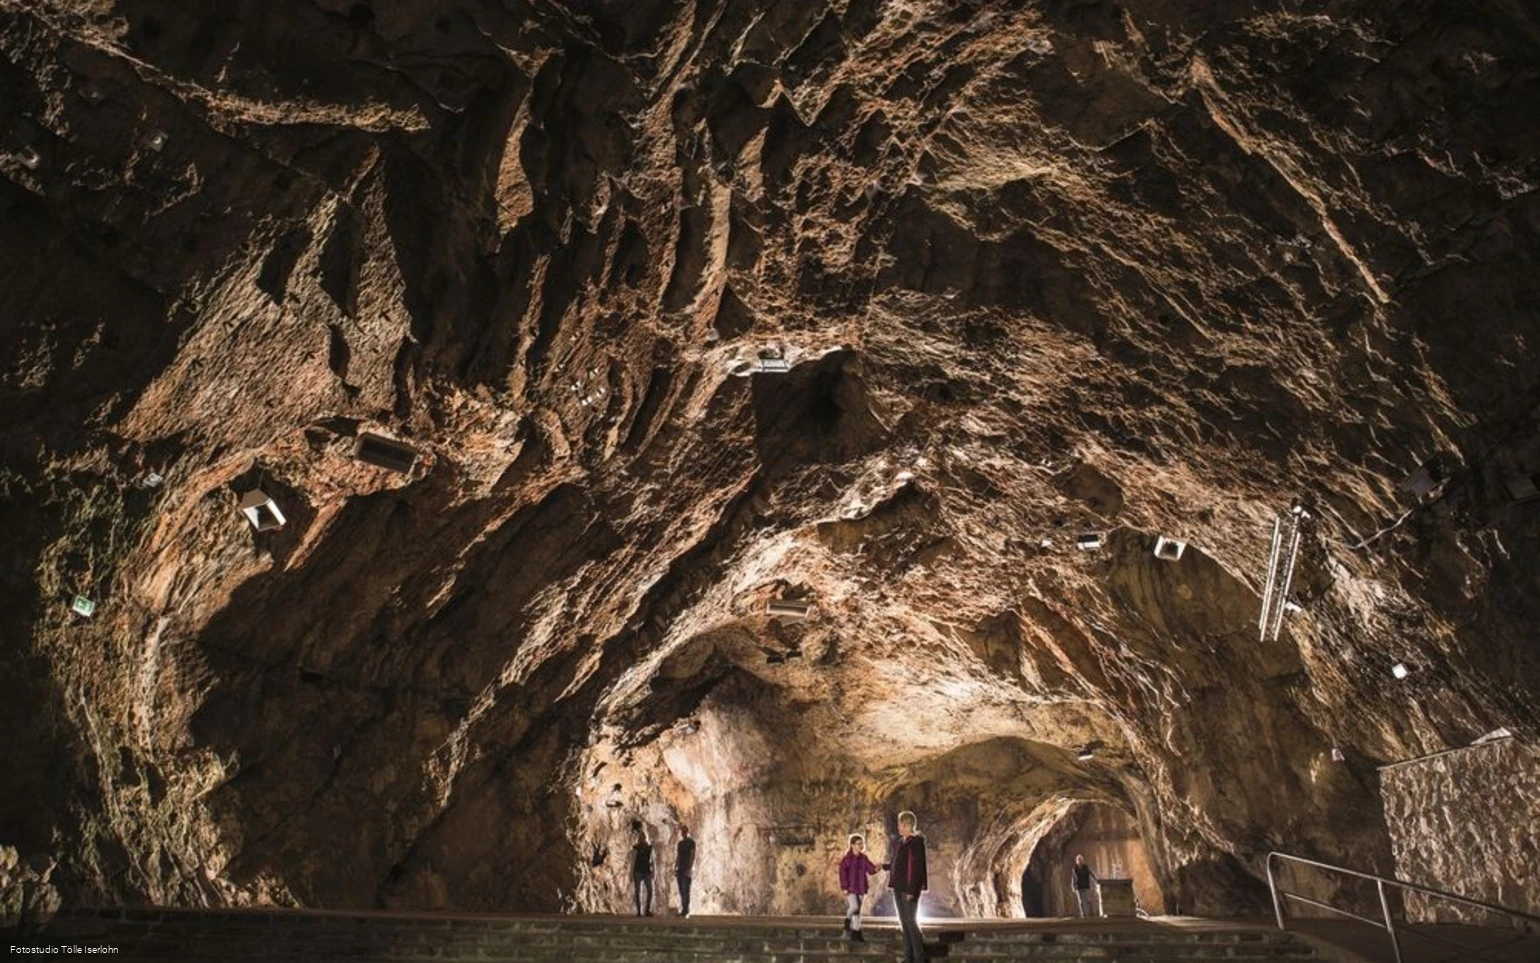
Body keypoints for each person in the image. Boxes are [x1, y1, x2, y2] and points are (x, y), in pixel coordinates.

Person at [889, 811, 929, 963]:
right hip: (898, 887)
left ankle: (919, 957)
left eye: (901, 824)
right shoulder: (901, 842)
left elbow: (917, 868)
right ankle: (908, 957)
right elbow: (898, 863)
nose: (899, 827)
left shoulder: (916, 842)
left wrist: (912, 890)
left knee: (911, 922)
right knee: (904, 923)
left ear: (908, 824)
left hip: (909, 888)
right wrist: (885, 866)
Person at [838, 833, 881, 942]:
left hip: (861, 887)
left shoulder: (863, 858)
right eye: (858, 844)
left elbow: (870, 869)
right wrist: (844, 887)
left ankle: (856, 933)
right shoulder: (847, 859)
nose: (861, 846)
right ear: (852, 845)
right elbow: (842, 873)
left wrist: (877, 868)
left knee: (857, 912)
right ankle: (847, 921)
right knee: (854, 907)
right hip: (851, 888)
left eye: (862, 844)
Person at [631, 826, 654, 916]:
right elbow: (632, 860)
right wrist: (630, 873)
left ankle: (647, 910)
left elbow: (652, 860)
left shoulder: (649, 848)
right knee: (637, 891)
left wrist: (653, 872)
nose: (642, 838)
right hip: (638, 871)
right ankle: (639, 911)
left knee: (650, 890)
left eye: (643, 837)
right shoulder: (635, 848)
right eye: (641, 837)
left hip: (647, 871)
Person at [675, 825, 695, 917]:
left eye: (684, 831)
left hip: (686, 868)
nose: (683, 833)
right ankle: (684, 908)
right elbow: (678, 856)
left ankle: (686, 909)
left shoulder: (691, 842)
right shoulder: (680, 843)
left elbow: (692, 855)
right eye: (682, 831)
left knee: (685, 888)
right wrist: (676, 866)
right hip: (680, 868)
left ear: (687, 831)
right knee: (681, 889)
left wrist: (689, 868)